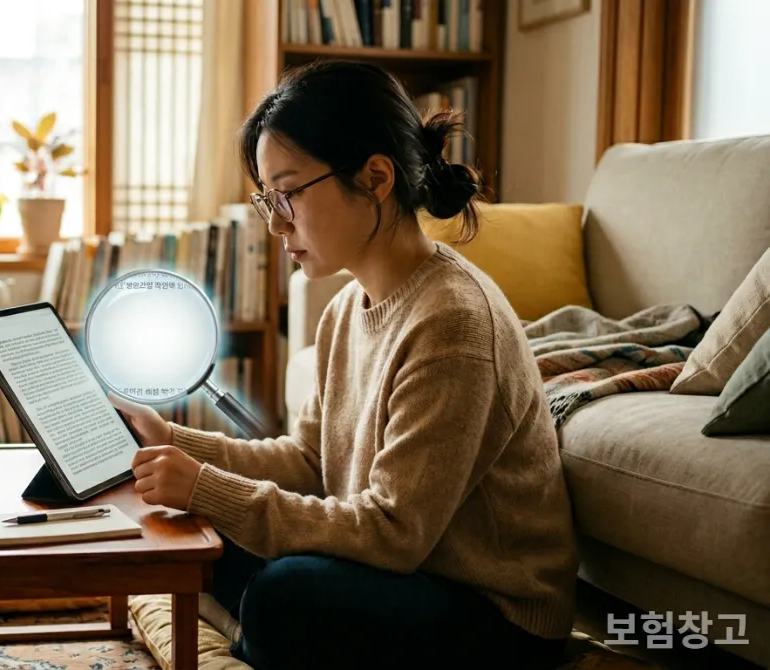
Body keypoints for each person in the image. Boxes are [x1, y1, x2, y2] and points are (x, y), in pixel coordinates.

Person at [109, 59, 579, 670]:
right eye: (266, 199)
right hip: (398, 577)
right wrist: (175, 441)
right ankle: (252, 631)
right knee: (199, 531)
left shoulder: (453, 324)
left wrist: (206, 485)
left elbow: (392, 531)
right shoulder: (346, 309)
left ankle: (251, 629)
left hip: (492, 615)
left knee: (285, 592)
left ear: (375, 177)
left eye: (289, 192)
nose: (276, 223)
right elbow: (308, 463)